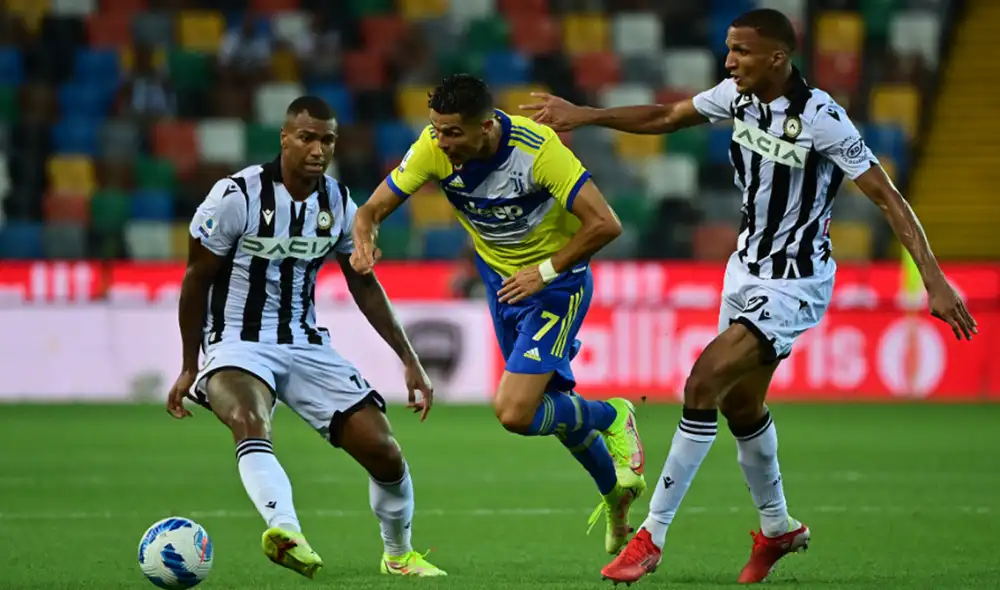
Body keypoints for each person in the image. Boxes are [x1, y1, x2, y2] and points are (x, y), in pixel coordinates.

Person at [522, 8, 978, 585]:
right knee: (742, 406)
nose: (729, 59)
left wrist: (933, 279)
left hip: (794, 283)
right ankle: (779, 527)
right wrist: (586, 115)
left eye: (740, 51)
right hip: (743, 273)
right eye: (730, 49)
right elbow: (666, 114)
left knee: (702, 383)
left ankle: (651, 537)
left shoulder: (822, 117)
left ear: (777, 58)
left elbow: (887, 196)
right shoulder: (736, 98)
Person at [350, 74, 647, 555]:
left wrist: (545, 272)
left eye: (452, 134)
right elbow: (370, 211)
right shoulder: (432, 147)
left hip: (556, 285)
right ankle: (614, 492)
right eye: (436, 130)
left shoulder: (538, 150)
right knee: (548, 403)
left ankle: (613, 414)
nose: (441, 143)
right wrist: (366, 238)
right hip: (502, 283)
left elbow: (605, 223)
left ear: (486, 126)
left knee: (515, 411)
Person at [165, 96, 447, 579]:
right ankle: (285, 530)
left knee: (385, 451)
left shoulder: (337, 202)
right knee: (250, 420)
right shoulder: (237, 196)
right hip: (237, 341)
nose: (318, 149)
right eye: (307, 137)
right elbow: (196, 281)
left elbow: (362, 283)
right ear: (284, 137)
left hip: (305, 342)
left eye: (328, 139)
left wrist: (408, 357)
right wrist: (191, 364)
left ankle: (398, 556)